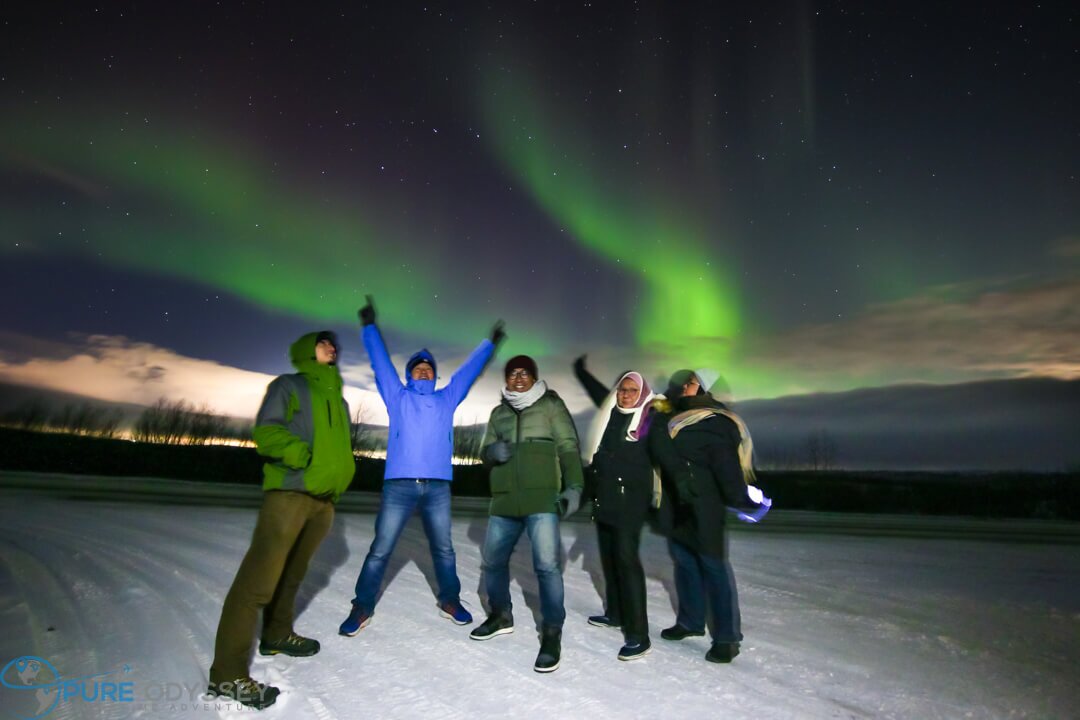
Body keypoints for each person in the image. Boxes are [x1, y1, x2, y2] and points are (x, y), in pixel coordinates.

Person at [208, 331, 356, 710]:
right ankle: (227, 675)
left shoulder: (337, 398)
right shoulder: (290, 385)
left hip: (323, 502)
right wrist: (299, 456)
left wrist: (339, 478)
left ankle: (276, 634)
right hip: (290, 494)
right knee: (257, 583)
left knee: (292, 576)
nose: (332, 348)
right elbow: (267, 432)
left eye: (334, 345)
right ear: (309, 350)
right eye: (324, 343)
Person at [339, 296, 503, 636]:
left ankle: (449, 600)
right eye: (418, 366)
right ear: (410, 373)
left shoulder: (446, 397)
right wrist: (369, 327)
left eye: (429, 366)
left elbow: (468, 372)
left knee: (444, 548)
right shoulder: (397, 396)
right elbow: (380, 364)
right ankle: (362, 606)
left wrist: (490, 344)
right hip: (399, 485)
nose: (424, 369)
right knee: (380, 549)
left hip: (438, 487)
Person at [470, 355, 585, 673]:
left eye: (525, 373)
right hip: (504, 500)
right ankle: (500, 615)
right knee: (492, 562)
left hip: (541, 499)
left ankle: (551, 633)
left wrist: (574, 487)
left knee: (547, 567)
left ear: (534, 378)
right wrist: (491, 453)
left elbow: (568, 447)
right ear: (506, 379)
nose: (518, 377)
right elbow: (484, 453)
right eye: (513, 373)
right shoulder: (498, 412)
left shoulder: (550, 405)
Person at [649, 369, 770, 664]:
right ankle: (691, 621)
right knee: (685, 562)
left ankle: (727, 638)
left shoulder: (716, 423)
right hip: (678, 505)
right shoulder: (677, 418)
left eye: (691, 383)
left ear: (707, 390)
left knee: (714, 568)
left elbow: (726, 467)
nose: (684, 387)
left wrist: (744, 499)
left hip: (705, 506)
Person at [573, 355, 662, 661]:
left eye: (631, 390)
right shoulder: (611, 414)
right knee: (609, 560)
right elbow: (602, 395)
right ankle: (615, 613)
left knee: (627, 562)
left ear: (642, 393)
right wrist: (581, 373)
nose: (625, 394)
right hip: (606, 499)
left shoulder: (651, 419)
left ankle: (639, 635)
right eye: (622, 390)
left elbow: (669, 455)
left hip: (630, 503)